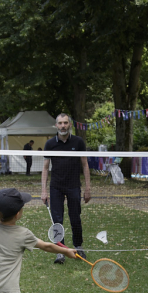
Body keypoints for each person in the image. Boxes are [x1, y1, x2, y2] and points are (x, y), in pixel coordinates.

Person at [41, 113, 92, 264]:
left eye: (65, 123)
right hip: (56, 186)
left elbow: (85, 165)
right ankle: (60, 251)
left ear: (70, 124)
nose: (63, 126)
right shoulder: (50, 144)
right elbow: (45, 168)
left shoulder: (78, 142)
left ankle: (78, 246)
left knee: (75, 217)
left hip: (73, 186)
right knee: (57, 220)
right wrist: (44, 190)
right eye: (60, 123)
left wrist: (88, 188)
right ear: (56, 125)